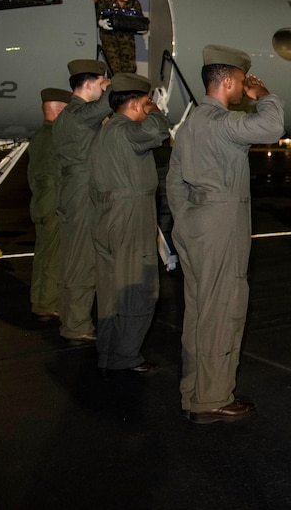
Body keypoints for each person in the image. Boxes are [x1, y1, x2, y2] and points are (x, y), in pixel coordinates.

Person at [167, 44, 285, 424]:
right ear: (230, 81)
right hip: (220, 222)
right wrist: (264, 95)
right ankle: (213, 399)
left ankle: (193, 390)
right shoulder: (221, 123)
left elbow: (173, 181)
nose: (243, 92)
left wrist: (186, 219)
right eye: (241, 84)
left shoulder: (190, 124)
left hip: (193, 221)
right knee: (222, 309)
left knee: (198, 310)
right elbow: (272, 126)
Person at [89, 73, 170, 376]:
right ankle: (126, 355)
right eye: (145, 103)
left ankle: (109, 351)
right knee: (138, 285)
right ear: (136, 103)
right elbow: (156, 133)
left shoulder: (105, 131)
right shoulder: (127, 130)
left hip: (107, 215)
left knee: (111, 288)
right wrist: (157, 112)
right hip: (131, 214)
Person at [53, 59, 113, 344]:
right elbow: (108, 103)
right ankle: (76, 324)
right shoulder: (78, 114)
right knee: (82, 261)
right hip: (82, 193)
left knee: (74, 258)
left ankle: (72, 319)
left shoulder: (67, 115)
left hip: (72, 191)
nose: (104, 88)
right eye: (101, 83)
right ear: (89, 84)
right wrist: (117, 86)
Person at [28, 87, 71, 322]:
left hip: (40, 200)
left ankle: (39, 300)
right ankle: (49, 303)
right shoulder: (57, 137)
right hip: (54, 201)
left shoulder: (38, 137)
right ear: (58, 110)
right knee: (55, 255)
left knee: (43, 253)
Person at [95, 0, 143, 74]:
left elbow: (139, 20)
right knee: (113, 65)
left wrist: (140, 27)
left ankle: (127, 87)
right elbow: (93, 15)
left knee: (129, 66)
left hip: (126, 38)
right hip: (109, 37)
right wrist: (100, 22)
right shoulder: (106, 1)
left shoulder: (135, 4)